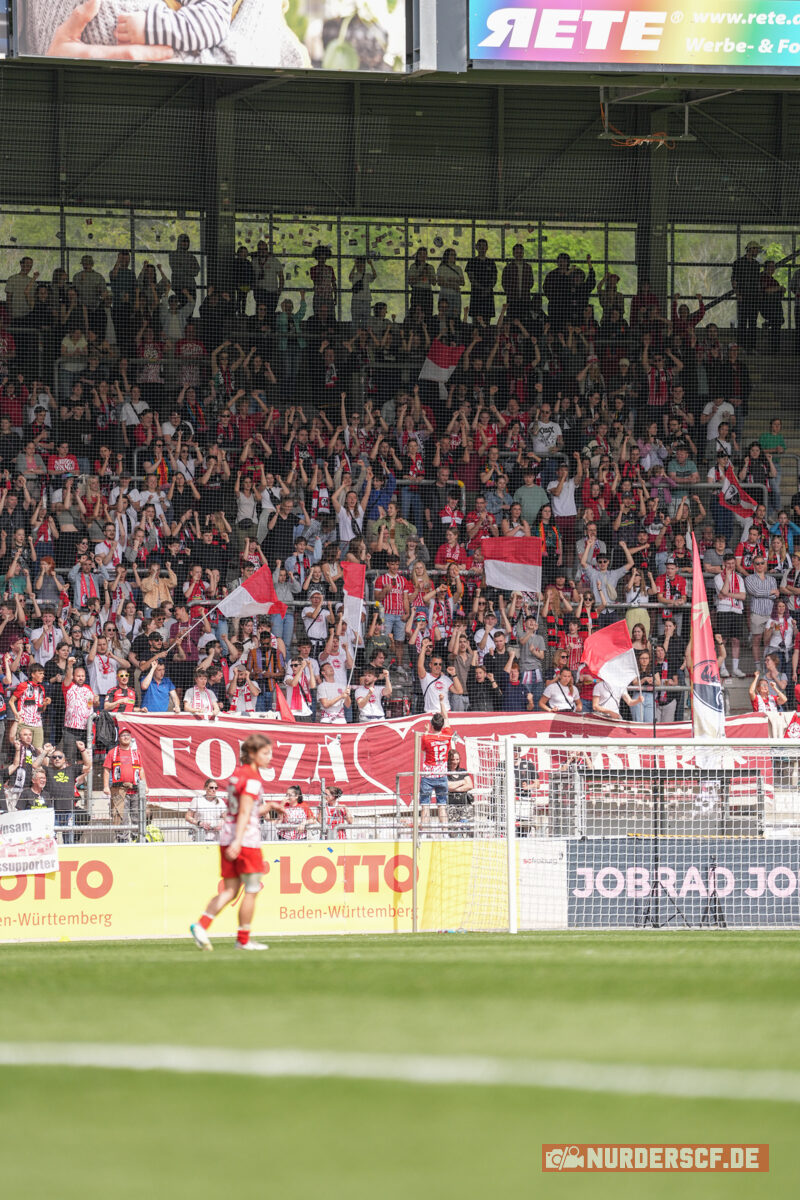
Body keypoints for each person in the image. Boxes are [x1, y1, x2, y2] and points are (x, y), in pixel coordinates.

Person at [190, 734, 287, 952]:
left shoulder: (236, 777)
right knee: (252, 889)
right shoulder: (252, 779)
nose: (269, 757)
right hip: (246, 841)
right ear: (252, 754)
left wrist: (270, 805)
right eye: (265, 753)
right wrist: (239, 840)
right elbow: (244, 811)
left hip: (228, 836)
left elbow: (246, 810)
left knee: (230, 890)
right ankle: (243, 940)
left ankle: (201, 925)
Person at [102, 725, 147, 843]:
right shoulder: (113, 752)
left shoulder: (136, 753)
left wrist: (145, 785)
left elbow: (141, 769)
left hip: (135, 790)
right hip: (119, 790)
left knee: (138, 816)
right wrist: (106, 786)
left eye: (128, 735)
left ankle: (137, 840)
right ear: (119, 738)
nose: (126, 737)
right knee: (121, 816)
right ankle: (123, 841)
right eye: (123, 735)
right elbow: (106, 769)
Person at [418, 702, 453, 831]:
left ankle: (425, 832)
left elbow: (423, 751)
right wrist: (442, 701)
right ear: (442, 725)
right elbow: (447, 717)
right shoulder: (447, 734)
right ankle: (445, 832)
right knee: (442, 805)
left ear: (432, 725)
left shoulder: (426, 738)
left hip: (428, 776)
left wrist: (426, 732)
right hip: (442, 775)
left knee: (425, 806)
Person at [445, 748, 475, 837]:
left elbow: (470, 785)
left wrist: (455, 788)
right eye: (452, 759)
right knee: (453, 831)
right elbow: (448, 786)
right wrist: (462, 782)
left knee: (470, 829)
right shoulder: (445, 772)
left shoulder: (462, 771)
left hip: (465, 805)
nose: (455, 762)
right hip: (452, 806)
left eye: (457, 759)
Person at [185, 778, 226, 843]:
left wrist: (222, 825)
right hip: (200, 836)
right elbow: (187, 817)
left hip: (215, 838)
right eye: (211, 787)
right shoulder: (197, 800)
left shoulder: (220, 802)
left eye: (216, 788)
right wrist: (199, 823)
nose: (214, 790)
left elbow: (227, 818)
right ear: (205, 788)